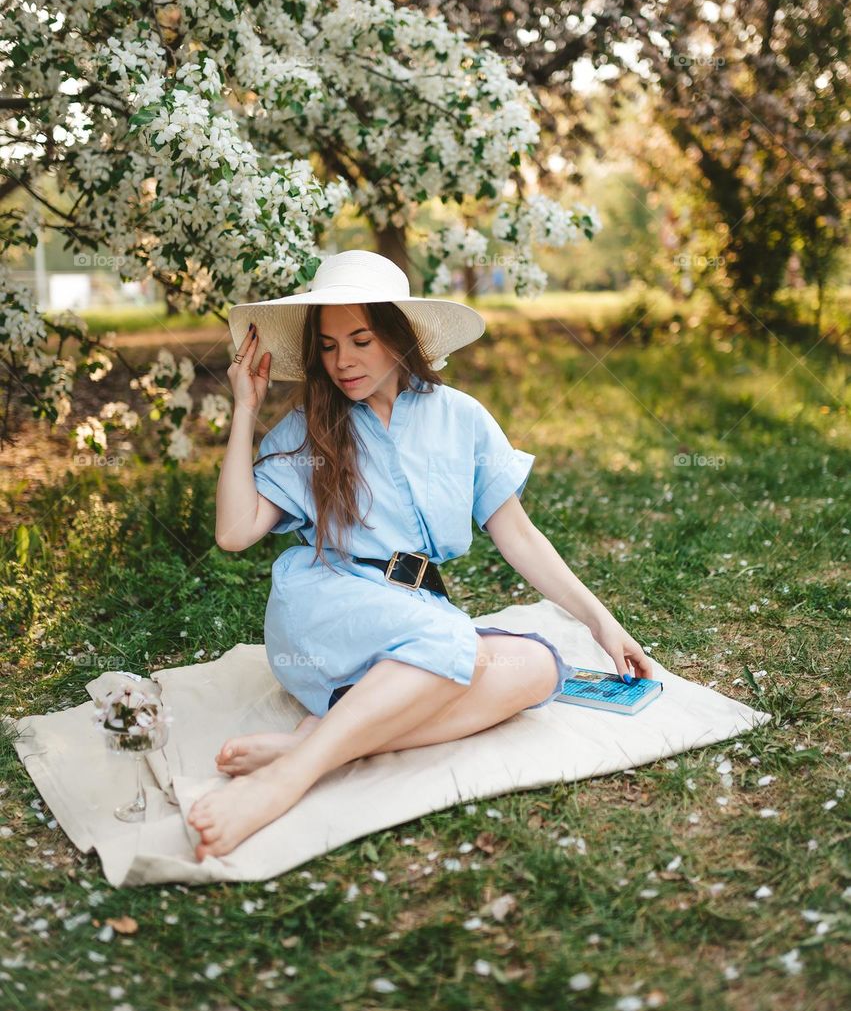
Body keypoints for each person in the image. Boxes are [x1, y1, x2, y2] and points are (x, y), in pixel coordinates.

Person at [187, 250, 651, 860]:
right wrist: (245, 408)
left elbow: (518, 534)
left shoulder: (461, 418)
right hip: (329, 607)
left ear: (399, 338)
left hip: (411, 624)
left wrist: (600, 620)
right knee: (454, 645)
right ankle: (288, 780)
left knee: (538, 668)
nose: (343, 361)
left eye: (361, 339)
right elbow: (234, 533)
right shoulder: (308, 430)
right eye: (328, 346)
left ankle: (322, 740)